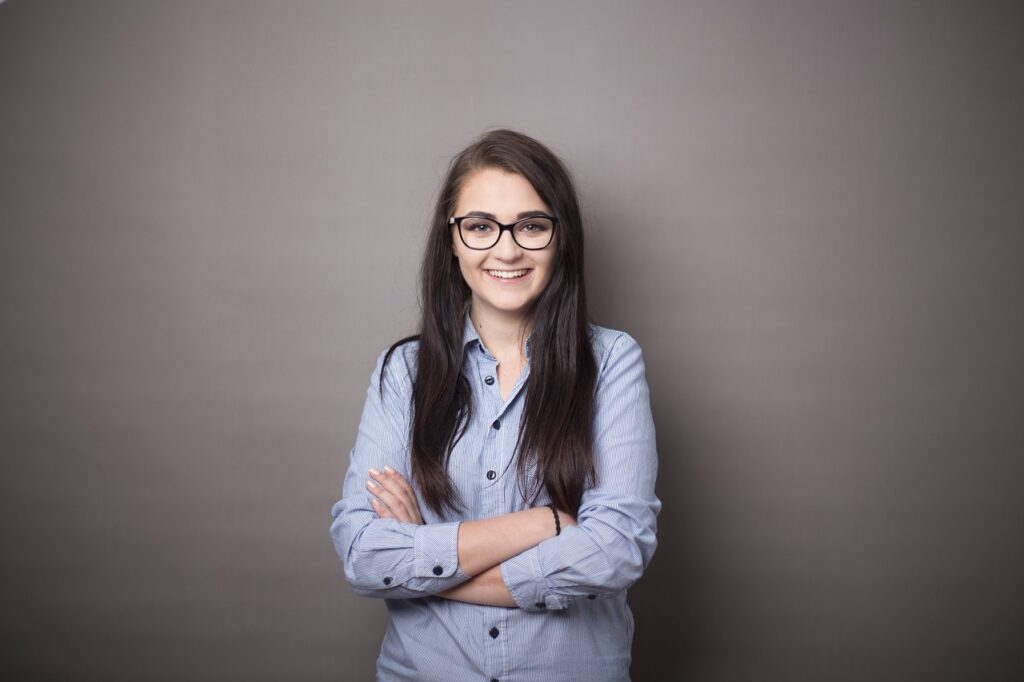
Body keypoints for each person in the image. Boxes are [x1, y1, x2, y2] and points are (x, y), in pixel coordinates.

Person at [329, 128, 661, 681]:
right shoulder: (403, 373)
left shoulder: (612, 362)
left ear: (562, 238)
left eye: (531, 226)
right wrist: (542, 523)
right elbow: (364, 555)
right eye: (480, 227)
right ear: (452, 240)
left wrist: (430, 562)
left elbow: (617, 549)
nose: (506, 250)